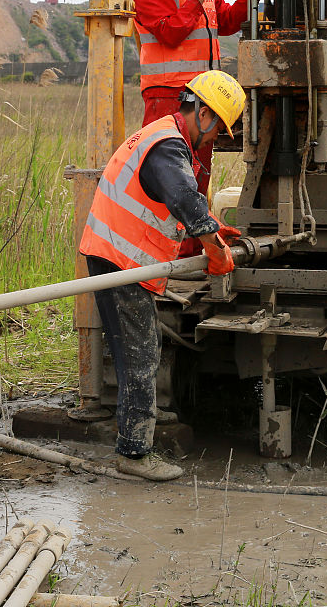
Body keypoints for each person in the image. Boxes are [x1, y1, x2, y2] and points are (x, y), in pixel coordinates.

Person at [79, 70, 246, 481]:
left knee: (138, 350)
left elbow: (178, 204)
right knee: (141, 354)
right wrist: (214, 248)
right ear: (203, 114)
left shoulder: (162, 136)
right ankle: (134, 455)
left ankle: (134, 440)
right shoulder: (169, 146)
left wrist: (211, 225)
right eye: (217, 130)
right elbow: (184, 199)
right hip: (120, 263)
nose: (214, 140)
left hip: (117, 259)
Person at [132, 0, 249, 196]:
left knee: (196, 186)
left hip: (202, 101)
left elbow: (230, 21)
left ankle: (193, 244)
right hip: (167, 97)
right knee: (168, 187)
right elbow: (170, 33)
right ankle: (166, 243)